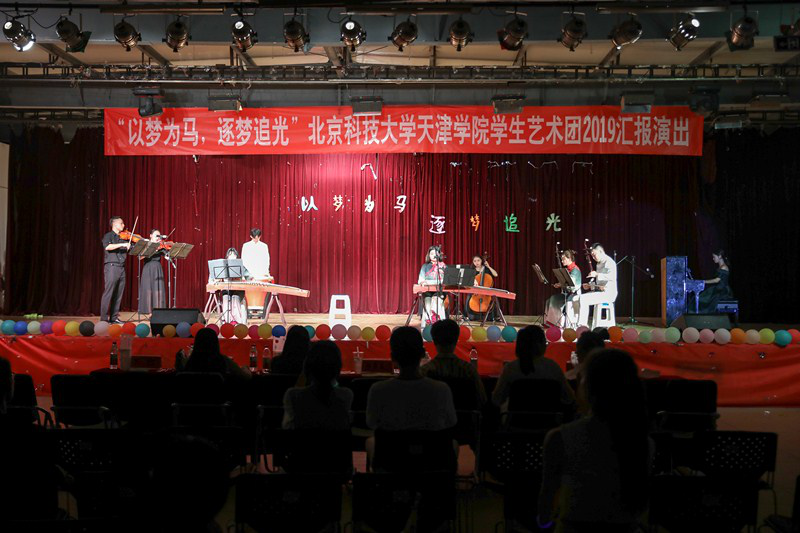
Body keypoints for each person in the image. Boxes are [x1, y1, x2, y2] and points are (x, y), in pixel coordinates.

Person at [538, 349, 651, 532]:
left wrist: (545, 524)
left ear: (588, 387)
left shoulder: (560, 438)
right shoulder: (644, 442)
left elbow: (547, 500)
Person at [366, 326, 457, 432]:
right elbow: (451, 422)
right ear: (423, 353)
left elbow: (371, 423)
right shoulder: (441, 389)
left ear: (392, 357)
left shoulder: (378, 390)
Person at [492, 325, 575, 410]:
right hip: (548, 417)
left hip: (516, 417)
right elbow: (569, 398)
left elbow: (497, 400)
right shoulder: (553, 367)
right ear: (541, 345)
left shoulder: (510, 368)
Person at [282, 341, 353, 430]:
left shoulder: (293, 395)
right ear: (338, 367)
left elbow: (287, 427)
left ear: (307, 366)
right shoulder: (346, 395)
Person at [421, 319, 487, 407]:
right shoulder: (468, 370)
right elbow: (482, 399)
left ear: (434, 341)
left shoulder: (424, 371)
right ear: (456, 341)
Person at [181, 328, 251, 379]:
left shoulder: (188, 363)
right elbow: (245, 377)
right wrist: (245, 368)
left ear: (196, 344)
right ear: (216, 343)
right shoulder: (224, 361)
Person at [577, 243, 618, 328]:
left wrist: (597, 274)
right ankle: (575, 324)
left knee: (584, 299)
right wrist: (590, 285)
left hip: (609, 293)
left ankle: (582, 326)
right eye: (592, 255)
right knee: (578, 298)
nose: (593, 257)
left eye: (594, 254)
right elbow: (599, 283)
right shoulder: (598, 264)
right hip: (600, 292)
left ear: (601, 251)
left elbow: (612, 277)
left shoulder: (610, 262)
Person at [101, 216, 129, 324]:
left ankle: (114, 318)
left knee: (118, 294)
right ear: (115, 224)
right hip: (112, 266)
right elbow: (107, 247)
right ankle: (104, 319)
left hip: (121, 267)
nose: (123, 225)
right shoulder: (108, 236)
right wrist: (122, 244)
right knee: (109, 292)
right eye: (121, 223)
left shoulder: (123, 237)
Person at [544, 250, 582, 328]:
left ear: (569, 258)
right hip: (568, 293)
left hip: (574, 294)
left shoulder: (575, 270)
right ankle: (550, 322)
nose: (562, 261)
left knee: (554, 299)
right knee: (549, 300)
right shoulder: (568, 269)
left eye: (563, 259)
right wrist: (560, 284)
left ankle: (558, 324)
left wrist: (561, 285)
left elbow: (572, 285)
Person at [212, 247, 247, 324]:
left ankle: (238, 321)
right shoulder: (223, 266)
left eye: (234, 255)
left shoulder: (241, 266)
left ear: (237, 256)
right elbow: (215, 277)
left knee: (235, 298)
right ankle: (228, 321)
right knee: (226, 298)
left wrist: (244, 278)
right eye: (230, 255)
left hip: (238, 290)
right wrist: (216, 280)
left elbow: (248, 277)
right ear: (227, 256)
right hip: (227, 290)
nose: (232, 256)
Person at [138, 228, 167, 315]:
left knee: (158, 289)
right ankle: (149, 312)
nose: (158, 237)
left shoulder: (160, 245)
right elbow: (140, 257)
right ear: (150, 236)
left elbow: (167, 255)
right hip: (148, 267)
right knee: (148, 289)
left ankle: (158, 311)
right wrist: (152, 249)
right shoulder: (146, 244)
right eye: (156, 235)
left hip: (157, 268)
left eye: (159, 236)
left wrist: (166, 252)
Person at [417, 246, 448, 324]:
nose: (434, 255)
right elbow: (420, 280)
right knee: (427, 298)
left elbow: (445, 281)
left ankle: (434, 316)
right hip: (428, 291)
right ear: (429, 255)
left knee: (436, 298)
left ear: (439, 255)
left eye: (435, 253)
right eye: (431, 253)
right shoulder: (425, 266)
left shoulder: (443, 266)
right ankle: (428, 318)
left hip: (439, 291)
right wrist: (424, 282)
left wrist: (428, 282)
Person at [698, 249, 733, 314]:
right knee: (702, 296)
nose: (713, 259)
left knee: (706, 298)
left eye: (714, 257)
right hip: (718, 288)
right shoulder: (720, 267)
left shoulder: (724, 267)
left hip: (723, 290)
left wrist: (703, 282)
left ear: (719, 256)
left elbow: (717, 280)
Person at [466, 255, 499, 321]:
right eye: (475, 261)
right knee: (469, 298)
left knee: (494, 299)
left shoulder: (486, 269)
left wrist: (488, 266)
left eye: (478, 260)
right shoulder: (472, 270)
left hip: (486, 292)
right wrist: (473, 280)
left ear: (481, 261)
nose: (476, 262)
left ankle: (495, 316)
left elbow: (496, 274)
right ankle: (470, 316)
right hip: (475, 291)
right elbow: (468, 280)